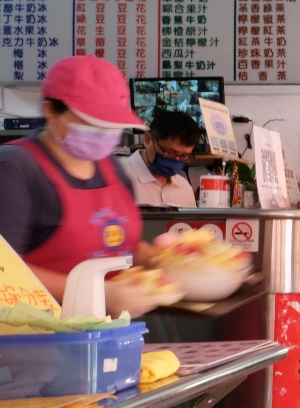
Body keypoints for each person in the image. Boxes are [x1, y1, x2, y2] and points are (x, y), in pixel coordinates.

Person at [0, 55, 157, 317]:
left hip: (107, 336)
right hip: (35, 340)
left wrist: (158, 258)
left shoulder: (112, 169)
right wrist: (99, 292)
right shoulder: (14, 169)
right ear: (51, 111)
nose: (105, 132)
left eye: (112, 125)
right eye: (93, 122)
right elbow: (4, 270)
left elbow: (115, 245)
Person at [121, 110, 201, 207]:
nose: (176, 160)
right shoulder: (117, 178)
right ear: (148, 139)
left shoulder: (184, 188)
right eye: (169, 152)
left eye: (184, 156)